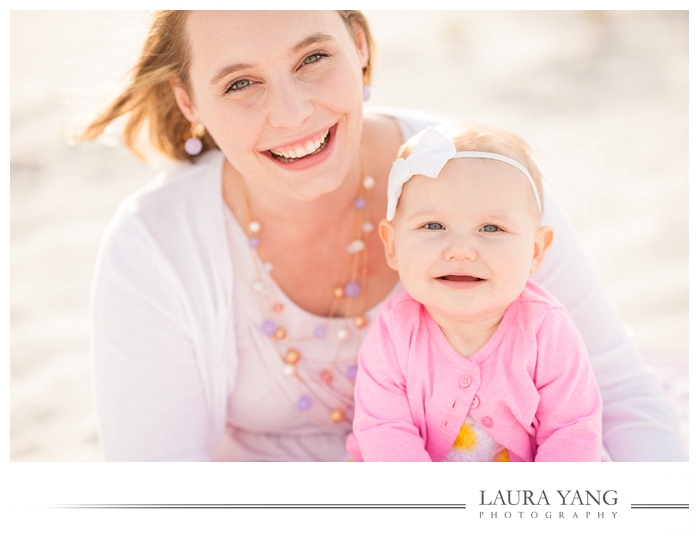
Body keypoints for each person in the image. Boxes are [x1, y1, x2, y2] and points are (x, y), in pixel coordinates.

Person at [81, 10, 684, 461]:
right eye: (240, 83)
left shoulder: (484, 179)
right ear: (189, 101)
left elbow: (621, 395)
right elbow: (155, 494)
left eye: (313, 58)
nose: (292, 114)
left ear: (360, 47)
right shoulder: (154, 251)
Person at [348, 123, 602, 462]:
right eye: (433, 226)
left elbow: (571, 428)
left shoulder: (546, 330)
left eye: (491, 228)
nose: (460, 250)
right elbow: (384, 427)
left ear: (536, 250)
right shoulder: (395, 333)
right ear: (392, 245)